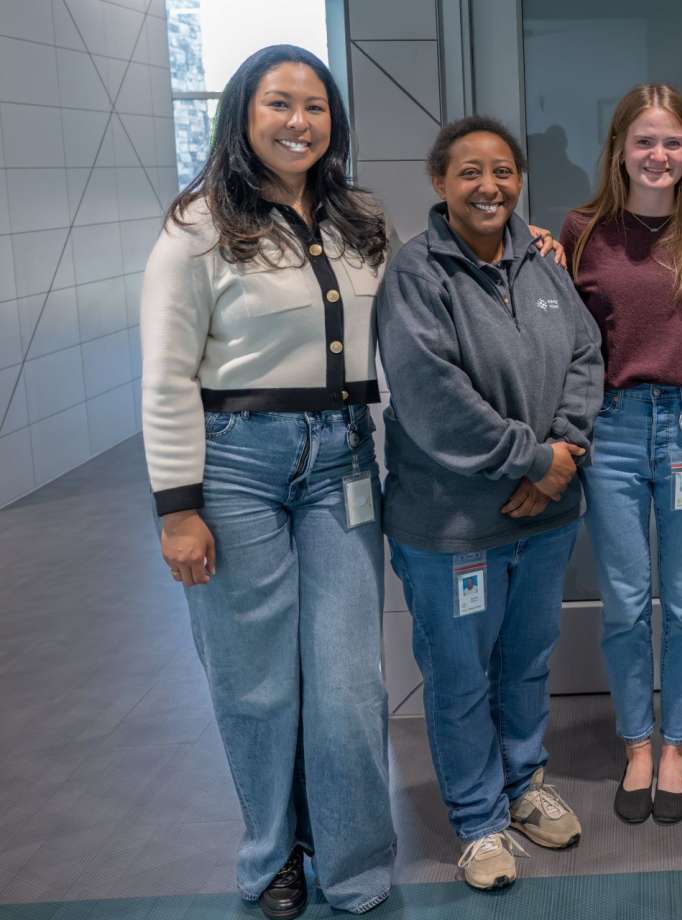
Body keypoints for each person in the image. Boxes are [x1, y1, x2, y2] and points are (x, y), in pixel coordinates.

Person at [141, 45, 395, 919]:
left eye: (316, 106)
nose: (299, 122)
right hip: (234, 467)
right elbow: (167, 374)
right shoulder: (198, 224)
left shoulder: (361, 218)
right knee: (256, 683)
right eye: (279, 104)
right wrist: (178, 509)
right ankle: (273, 856)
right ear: (242, 115)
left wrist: (526, 240)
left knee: (347, 680)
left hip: (343, 461)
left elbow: (422, 301)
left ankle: (356, 862)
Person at [374, 116, 602, 892]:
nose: (488, 186)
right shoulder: (416, 275)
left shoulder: (541, 263)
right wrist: (535, 459)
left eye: (502, 171)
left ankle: (522, 783)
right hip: (451, 524)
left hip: (545, 518)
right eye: (470, 171)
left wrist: (564, 453)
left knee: (527, 661)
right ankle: (478, 822)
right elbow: (434, 400)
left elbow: (584, 355)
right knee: (461, 674)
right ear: (440, 181)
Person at [561, 85, 682, 826]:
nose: (659, 156)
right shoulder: (579, 230)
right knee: (626, 603)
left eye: (673, 143)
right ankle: (636, 742)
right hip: (614, 432)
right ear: (619, 149)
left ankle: (676, 745)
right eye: (644, 142)